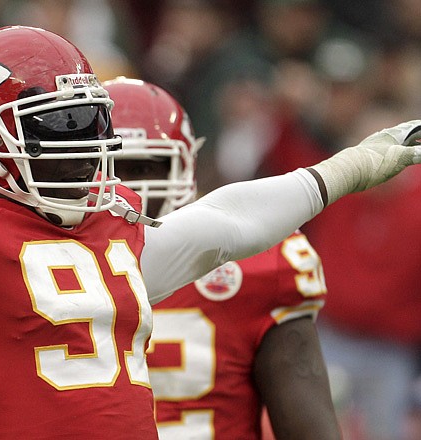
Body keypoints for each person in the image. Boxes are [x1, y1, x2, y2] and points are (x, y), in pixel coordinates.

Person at [0, 25, 419, 439]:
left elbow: (226, 222)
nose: (89, 148)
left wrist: (350, 167)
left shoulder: (115, 240)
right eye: (60, 128)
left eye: (92, 124)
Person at [104, 77, 340, 439]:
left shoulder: (258, 266)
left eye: (146, 166)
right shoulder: (36, 258)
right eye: (113, 168)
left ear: (185, 166)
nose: (128, 190)